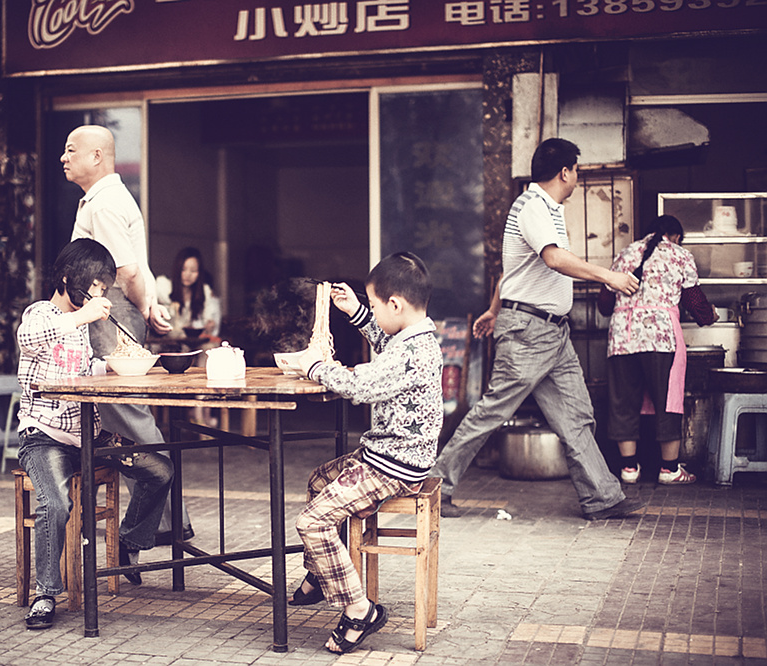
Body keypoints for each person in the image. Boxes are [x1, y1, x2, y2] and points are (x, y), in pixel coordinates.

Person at [432, 138, 645, 521]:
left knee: (577, 415)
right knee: (493, 412)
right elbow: (553, 259)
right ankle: (435, 486)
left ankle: (603, 498)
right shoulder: (533, 207)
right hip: (530, 332)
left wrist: (494, 309)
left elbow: (512, 270)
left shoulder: (546, 209)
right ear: (565, 172)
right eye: (577, 170)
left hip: (551, 333)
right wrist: (609, 277)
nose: (577, 177)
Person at [289, 252, 443, 654]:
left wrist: (314, 367)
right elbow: (383, 336)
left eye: (374, 305)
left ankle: (360, 610)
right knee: (318, 480)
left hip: (393, 466)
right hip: (386, 454)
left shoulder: (413, 353)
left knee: (312, 522)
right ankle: (319, 575)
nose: (372, 312)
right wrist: (356, 310)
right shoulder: (412, 337)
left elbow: (360, 387)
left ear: (396, 304)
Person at [16, 238, 173, 630]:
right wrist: (83, 315)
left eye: (104, 288)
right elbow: (28, 340)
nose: (99, 295)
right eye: (95, 287)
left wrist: (129, 366)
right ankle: (46, 594)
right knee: (55, 504)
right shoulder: (41, 314)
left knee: (160, 469)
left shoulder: (79, 328)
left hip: (88, 437)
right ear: (68, 279)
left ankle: (126, 543)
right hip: (44, 437)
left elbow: (87, 371)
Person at [62, 124, 194, 544]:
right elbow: (138, 264)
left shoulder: (102, 205)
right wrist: (150, 303)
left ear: (97, 156)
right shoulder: (109, 199)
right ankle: (151, 526)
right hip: (113, 309)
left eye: (71, 150)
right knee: (122, 414)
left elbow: (127, 270)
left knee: (126, 413)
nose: (63, 158)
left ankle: (168, 523)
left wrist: (139, 306)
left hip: (109, 311)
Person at [599, 215, 717, 485]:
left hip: (622, 337)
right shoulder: (679, 255)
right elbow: (695, 304)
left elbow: (605, 304)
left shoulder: (626, 253)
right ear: (675, 236)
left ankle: (629, 470)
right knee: (667, 401)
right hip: (660, 338)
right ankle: (669, 470)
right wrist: (710, 316)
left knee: (623, 401)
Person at [155, 246, 222, 341]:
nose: (188, 274)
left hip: (190, 341)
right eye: (183, 269)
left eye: (193, 271)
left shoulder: (204, 291)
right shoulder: (163, 286)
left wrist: (210, 324)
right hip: (166, 340)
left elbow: (208, 319)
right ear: (177, 269)